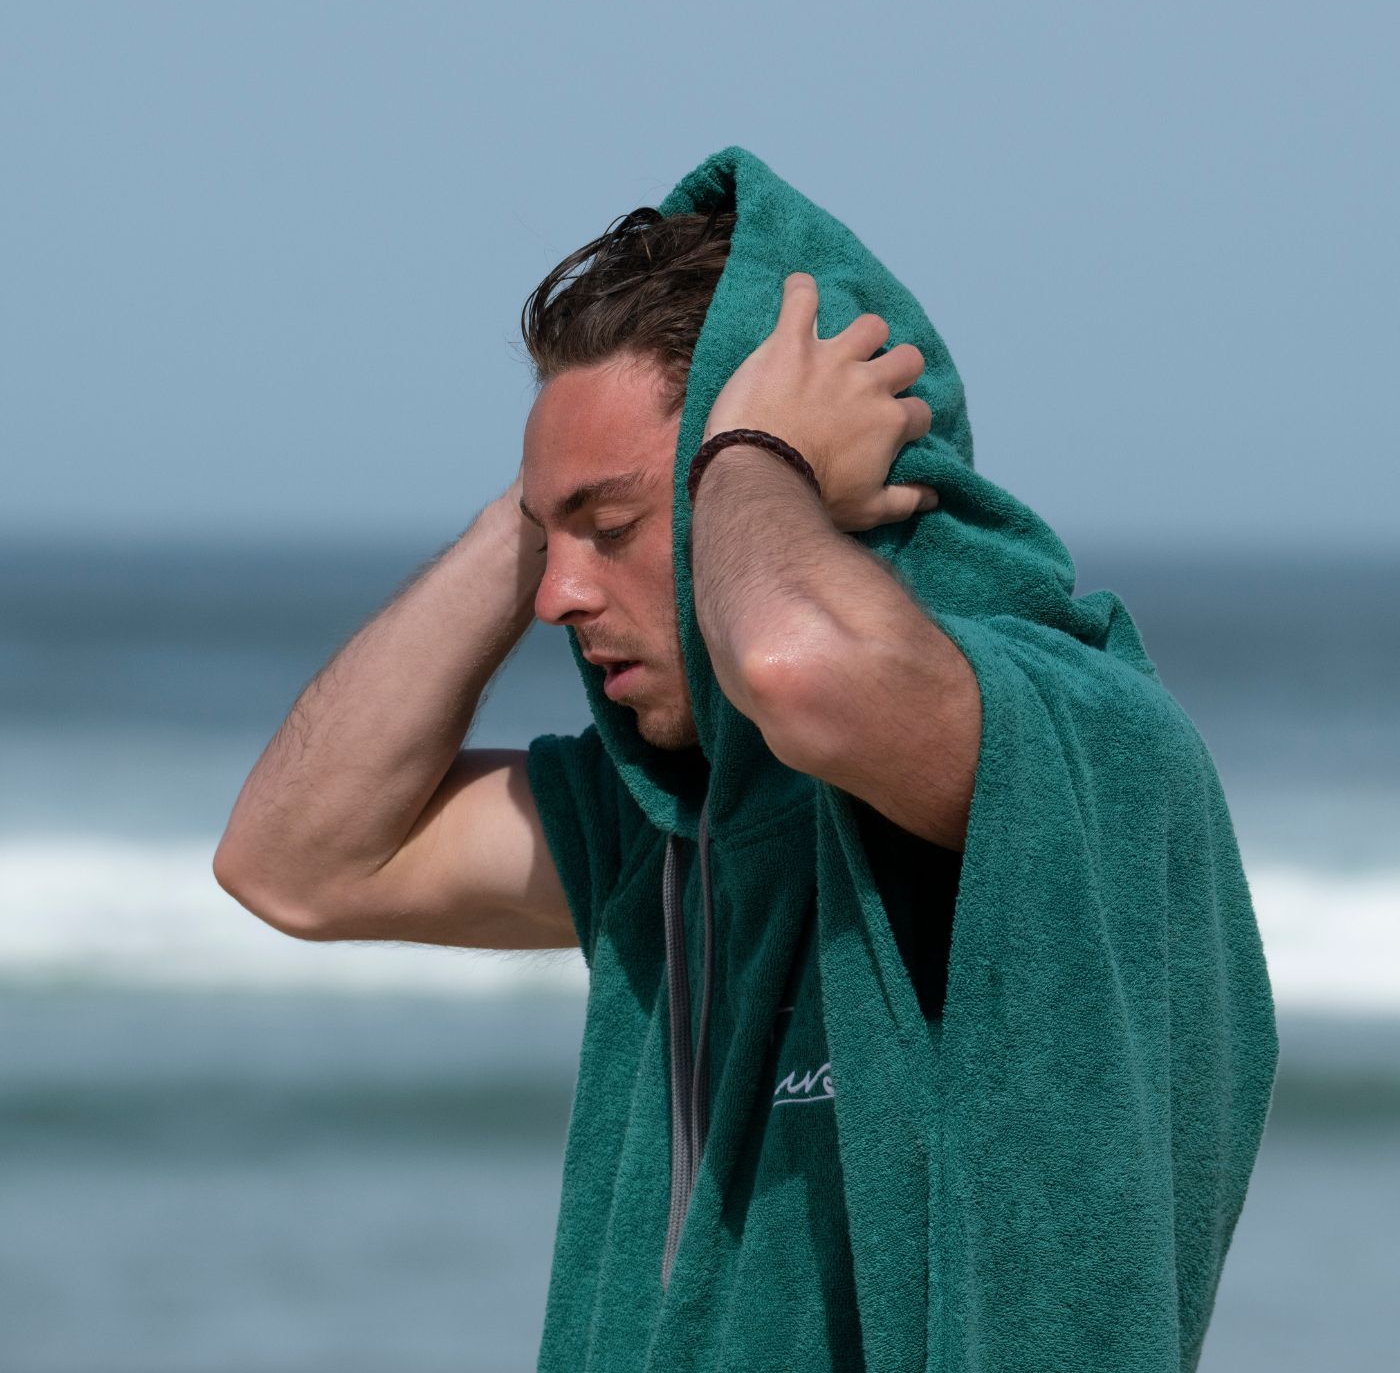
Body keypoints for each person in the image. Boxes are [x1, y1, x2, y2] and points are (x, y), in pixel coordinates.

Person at [216, 148, 1277, 1372]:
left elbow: (796, 664)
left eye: (610, 529)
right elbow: (298, 858)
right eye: (544, 535)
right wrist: (547, 496)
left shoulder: (1063, 735)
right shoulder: (676, 832)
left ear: (790, 480)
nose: (557, 595)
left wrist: (752, 443)